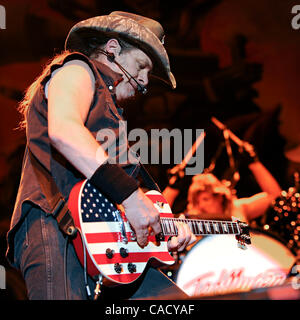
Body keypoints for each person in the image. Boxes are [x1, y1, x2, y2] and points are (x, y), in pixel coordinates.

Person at [6, 11, 195, 300]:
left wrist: (163, 228)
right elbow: (65, 131)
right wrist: (132, 197)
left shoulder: (112, 116)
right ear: (112, 49)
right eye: (142, 67)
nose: (145, 82)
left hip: (103, 243)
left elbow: (123, 195)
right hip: (54, 225)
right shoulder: (77, 69)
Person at [163, 142, 282, 223]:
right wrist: (172, 188)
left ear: (220, 197)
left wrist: (254, 163)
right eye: (197, 202)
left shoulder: (239, 208)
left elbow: (276, 197)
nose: (201, 206)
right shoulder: (193, 217)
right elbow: (157, 218)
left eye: (205, 199)